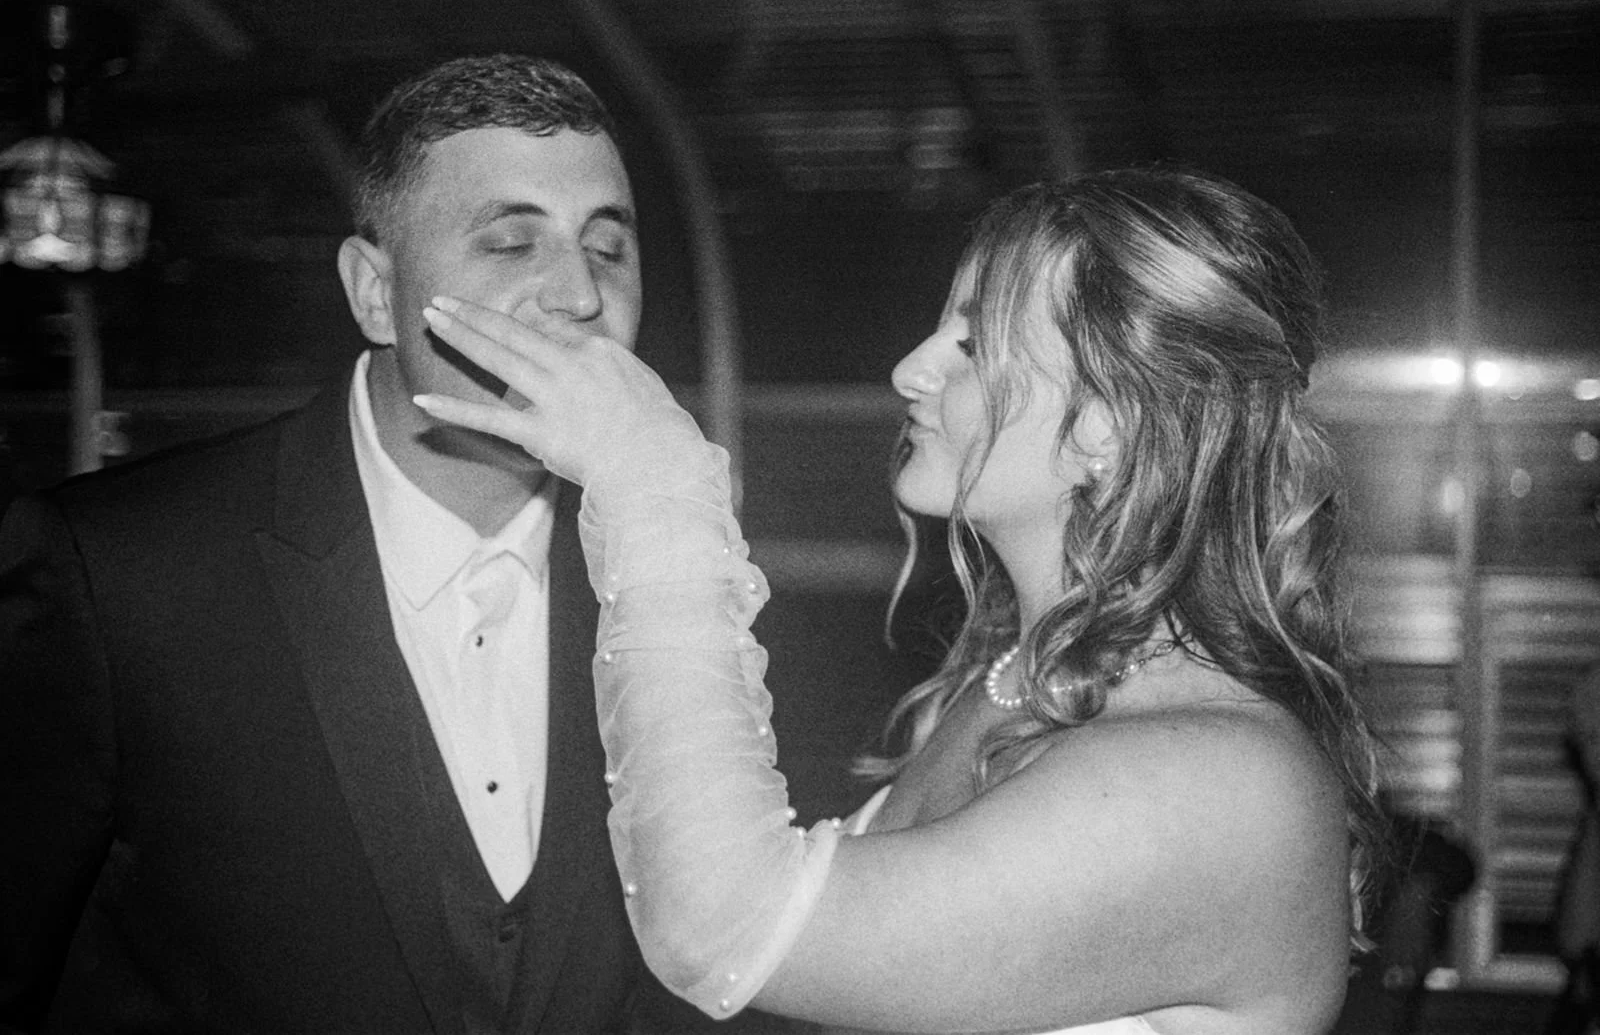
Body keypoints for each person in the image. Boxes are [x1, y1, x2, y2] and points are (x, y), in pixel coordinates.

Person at [413, 166, 1388, 1035]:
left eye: (970, 341)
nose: (911, 369)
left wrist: (657, 491)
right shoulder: (1017, 680)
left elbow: (726, 930)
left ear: (1109, 424)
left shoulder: (1211, 779)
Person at [0, 54, 668, 1034]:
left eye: (606, 247)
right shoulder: (121, 571)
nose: (577, 294)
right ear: (371, 291)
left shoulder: (681, 582)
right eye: (510, 240)